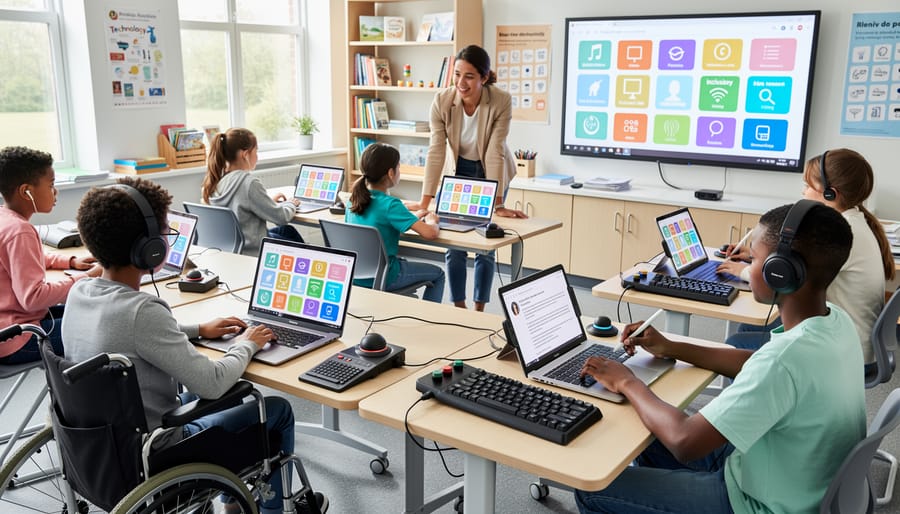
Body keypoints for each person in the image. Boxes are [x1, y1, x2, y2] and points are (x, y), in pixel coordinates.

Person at [575, 201, 866, 514]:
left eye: (754, 259)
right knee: (648, 428)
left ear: (780, 273)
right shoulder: (835, 321)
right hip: (785, 476)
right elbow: (756, 363)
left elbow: (684, 441)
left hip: (758, 504)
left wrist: (627, 382)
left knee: (594, 490)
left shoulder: (783, 361)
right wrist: (670, 347)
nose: (748, 266)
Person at [62, 177, 327, 513]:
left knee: (219, 395)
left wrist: (198, 329)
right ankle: (271, 508)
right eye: (165, 232)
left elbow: (130, 336)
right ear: (150, 248)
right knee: (276, 409)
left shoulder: (80, 292)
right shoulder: (143, 311)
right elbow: (212, 383)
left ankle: (234, 501)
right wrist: (246, 344)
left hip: (105, 446)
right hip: (158, 453)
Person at [718, 148, 894, 367]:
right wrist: (755, 256)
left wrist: (742, 270)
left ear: (830, 194)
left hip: (846, 350)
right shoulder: (852, 222)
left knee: (736, 344)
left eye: (809, 186)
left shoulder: (844, 232)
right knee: (748, 328)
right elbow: (798, 260)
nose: (804, 192)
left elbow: (788, 275)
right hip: (845, 333)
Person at [407, 44, 527, 312]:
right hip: (457, 172)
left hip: (490, 171)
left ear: (484, 77)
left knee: (486, 244)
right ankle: (459, 307)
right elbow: (436, 151)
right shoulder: (442, 101)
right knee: (454, 243)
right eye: (457, 74)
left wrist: (498, 203)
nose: (461, 82)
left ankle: (479, 310)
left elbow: (495, 151)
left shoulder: (500, 100)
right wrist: (425, 201)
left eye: (469, 76)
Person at [0, 146, 100, 364]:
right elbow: (33, 298)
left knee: (89, 310)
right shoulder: (19, 231)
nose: (56, 192)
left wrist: (69, 261)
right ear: (26, 191)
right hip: (19, 337)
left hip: (8, 328)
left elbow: (22, 260)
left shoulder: (5, 218)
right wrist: (87, 278)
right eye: (51, 185)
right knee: (102, 327)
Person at [346, 142, 445, 303]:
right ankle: (427, 316)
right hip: (387, 275)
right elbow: (430, 233)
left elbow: (378, 222)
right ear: (391, 173)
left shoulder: (353, 200)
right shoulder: (391, 205)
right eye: (399, 167)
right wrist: (432, 221)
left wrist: (412, 217)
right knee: (438, 274)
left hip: (355, 275)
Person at [202, 127, 304, 256]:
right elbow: (281, 217)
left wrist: (268, 202)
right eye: (256, 151)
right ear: (245, 155)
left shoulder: (217, 181)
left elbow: (241, 206)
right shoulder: (249, 183)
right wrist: (291, 204)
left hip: (233, 247)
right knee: (301, 245)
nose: (257, 156)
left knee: (287, 231)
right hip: (253, 249)